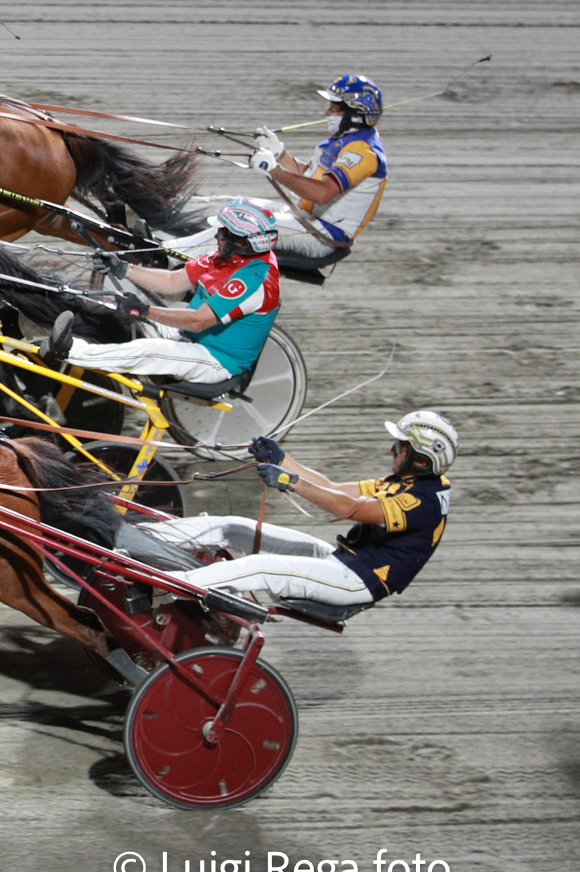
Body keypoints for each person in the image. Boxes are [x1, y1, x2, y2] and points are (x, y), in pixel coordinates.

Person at [138, 411, 457, 607]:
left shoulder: (423, 503)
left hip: (357, 580)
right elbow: (332, 487)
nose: (392, 449)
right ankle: (135, 536)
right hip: (342, 561)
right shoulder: (412, 481)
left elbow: (349, 508)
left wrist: (291, 482)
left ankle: (158, 585)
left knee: (260, 568)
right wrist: (281, 460)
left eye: (400, 446)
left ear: (420, 459)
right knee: (234, 527)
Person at [46, 201, 281, 385]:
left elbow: (199, 321)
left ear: (242, 242)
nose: (217, 236)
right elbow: (173, 280)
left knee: (148, 351)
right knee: (115, 313)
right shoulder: (227, 258)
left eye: (224, 233)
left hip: (216, 359)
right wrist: (124, 269)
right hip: (187, 334)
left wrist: (144, 310)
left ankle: (69, 351)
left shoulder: (254, 281)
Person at [165, 75, 390, 261]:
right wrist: (280, 154)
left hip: (320, 235)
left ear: (358, 114)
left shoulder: (363, 152)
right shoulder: (345, 141)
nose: (327, 113)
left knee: (240, 224)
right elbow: (310, 176)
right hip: (301, 216)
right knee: (231, 204)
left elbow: (321, 193)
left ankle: (166, 252)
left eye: (335, 107)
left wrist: (275, 171)